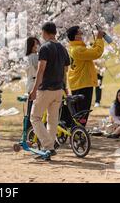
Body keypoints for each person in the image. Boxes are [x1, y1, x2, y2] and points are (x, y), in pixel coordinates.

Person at [29, 22, 70, 157]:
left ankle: (48, 146)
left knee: (35, 117)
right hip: (59, 89)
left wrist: (34, 90)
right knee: (53, 121)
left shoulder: (45, 48)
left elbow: (41, 71)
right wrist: (65, 89)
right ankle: (50, 147)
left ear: (45, 32)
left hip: (45, 88)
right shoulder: (63, 49)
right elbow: (65, 71)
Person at [66, 26, 105, 126]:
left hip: (80, 83)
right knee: (81, 114)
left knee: (79, 113)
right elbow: (96, 53)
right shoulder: (78, 50)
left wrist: (97, 40)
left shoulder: (76, 48)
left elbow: (91, 52)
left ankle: (78, 133)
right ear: (75, 37)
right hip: (82, 84)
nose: (82, 35)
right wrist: (99, 39)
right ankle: (78, 135)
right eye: (80, 33)